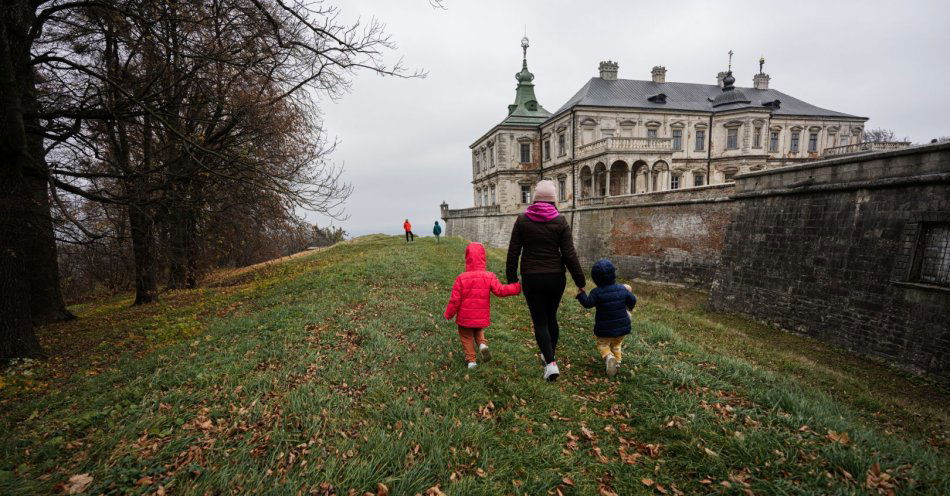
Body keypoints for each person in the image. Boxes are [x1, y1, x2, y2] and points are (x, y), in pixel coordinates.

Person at [506, 179, 585, 381]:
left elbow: (514, 251)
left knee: (540, 321)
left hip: (532, 277)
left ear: (535, 199)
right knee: (551, 317)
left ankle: (550, 362)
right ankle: (549, 355)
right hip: (555, 277)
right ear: (553, 200)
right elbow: (569, 254)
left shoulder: (522, 220)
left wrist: (512, 278)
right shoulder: (560, 221)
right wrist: (580, 280)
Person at [444, 242, 521, 368]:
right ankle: (482, 345)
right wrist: (516, 287)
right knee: (478, 329)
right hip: (481, 316)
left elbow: (455, 300)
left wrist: (448, 314)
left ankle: (471, 361)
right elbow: (500, 290)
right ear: (483, 258)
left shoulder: (461, 278)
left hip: (464, 318)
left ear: (467, 258)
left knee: (466, 336)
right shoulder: (489, 276)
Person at [576, 259, 637, 377]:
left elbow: (588, 304)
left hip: (605, 328)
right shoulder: (622, 289)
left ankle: (609, 357)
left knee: (603, 345)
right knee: (616, 344)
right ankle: (617, 363)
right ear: (614, 274)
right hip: (622, 327)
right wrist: (630, 308)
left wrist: (581, 294)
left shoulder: (596, 292)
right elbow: (633, 299)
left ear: (595, 279)